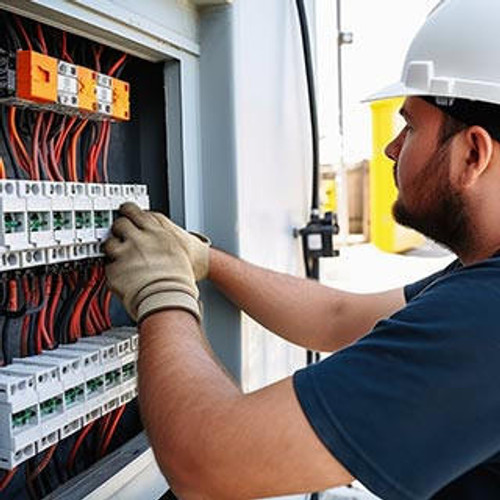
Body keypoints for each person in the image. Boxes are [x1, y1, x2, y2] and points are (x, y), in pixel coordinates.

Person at [103, 1, 500, 498]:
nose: (391, 148)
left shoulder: (484, 316)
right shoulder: (476, 281)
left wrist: (162, 290)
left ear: (473, 153)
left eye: (411, 126)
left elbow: (206, 460)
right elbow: (338, 316)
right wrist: (204, 260)